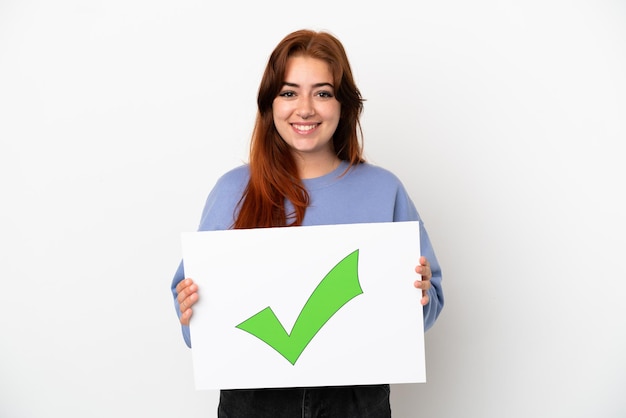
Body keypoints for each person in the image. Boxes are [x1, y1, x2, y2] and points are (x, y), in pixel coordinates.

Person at [171, 29, 444, 417]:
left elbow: (429, 300)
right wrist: (190, 312)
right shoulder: (233, 190)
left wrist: (417, 296)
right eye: (289, 92)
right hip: (254, 399)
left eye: (322, 92)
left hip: (355, 399)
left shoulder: (384, 190)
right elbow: (193, 318)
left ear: (342, 104)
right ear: (270, 104)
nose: (305, 108)